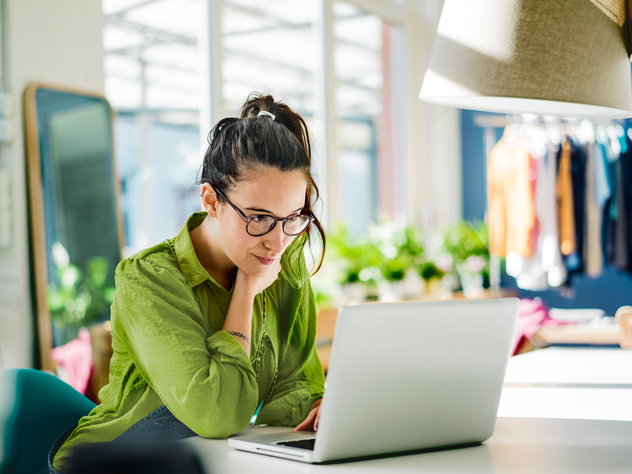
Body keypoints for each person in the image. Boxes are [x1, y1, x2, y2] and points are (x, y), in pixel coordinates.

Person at [49, 93, 326, 473]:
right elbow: (217, 414)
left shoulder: (281, 262)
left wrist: (319, 409)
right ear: (211, 200)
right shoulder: (147, 278)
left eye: (292, 218)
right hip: (114, 463)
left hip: (208, 461)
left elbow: (293, 387)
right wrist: (247, 288)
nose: (277, 242)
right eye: (259, 218)